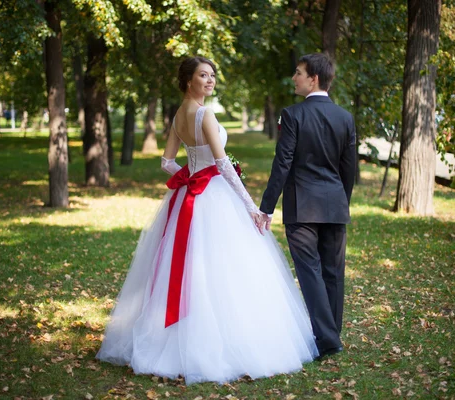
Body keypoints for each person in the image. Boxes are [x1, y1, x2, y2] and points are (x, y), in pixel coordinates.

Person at [96, 56, 318, 384]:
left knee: (186, 267)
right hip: (212, 196)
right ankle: (227, 346)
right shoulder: (204, 113)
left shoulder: (178, 115)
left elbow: (166, 162)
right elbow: (223, 163)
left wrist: (189, 178)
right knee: (222, 268)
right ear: (189, 81)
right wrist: (250, 207)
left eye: (212, 75)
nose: (210, 81)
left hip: (188, 197)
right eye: (203, 75)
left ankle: (173, 343)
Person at [259, 53, 357, 360]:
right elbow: (348, 169)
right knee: (333, 272)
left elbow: (283, 164)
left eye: (298, 73)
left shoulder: (292, 115)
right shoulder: (345, 117)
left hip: (302, 208)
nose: (294, 78)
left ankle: (327, 340)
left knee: (311, 272)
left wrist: (267, 207)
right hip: (334, 204)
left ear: (313, 78)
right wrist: (342, 201)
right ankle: (332, 335)